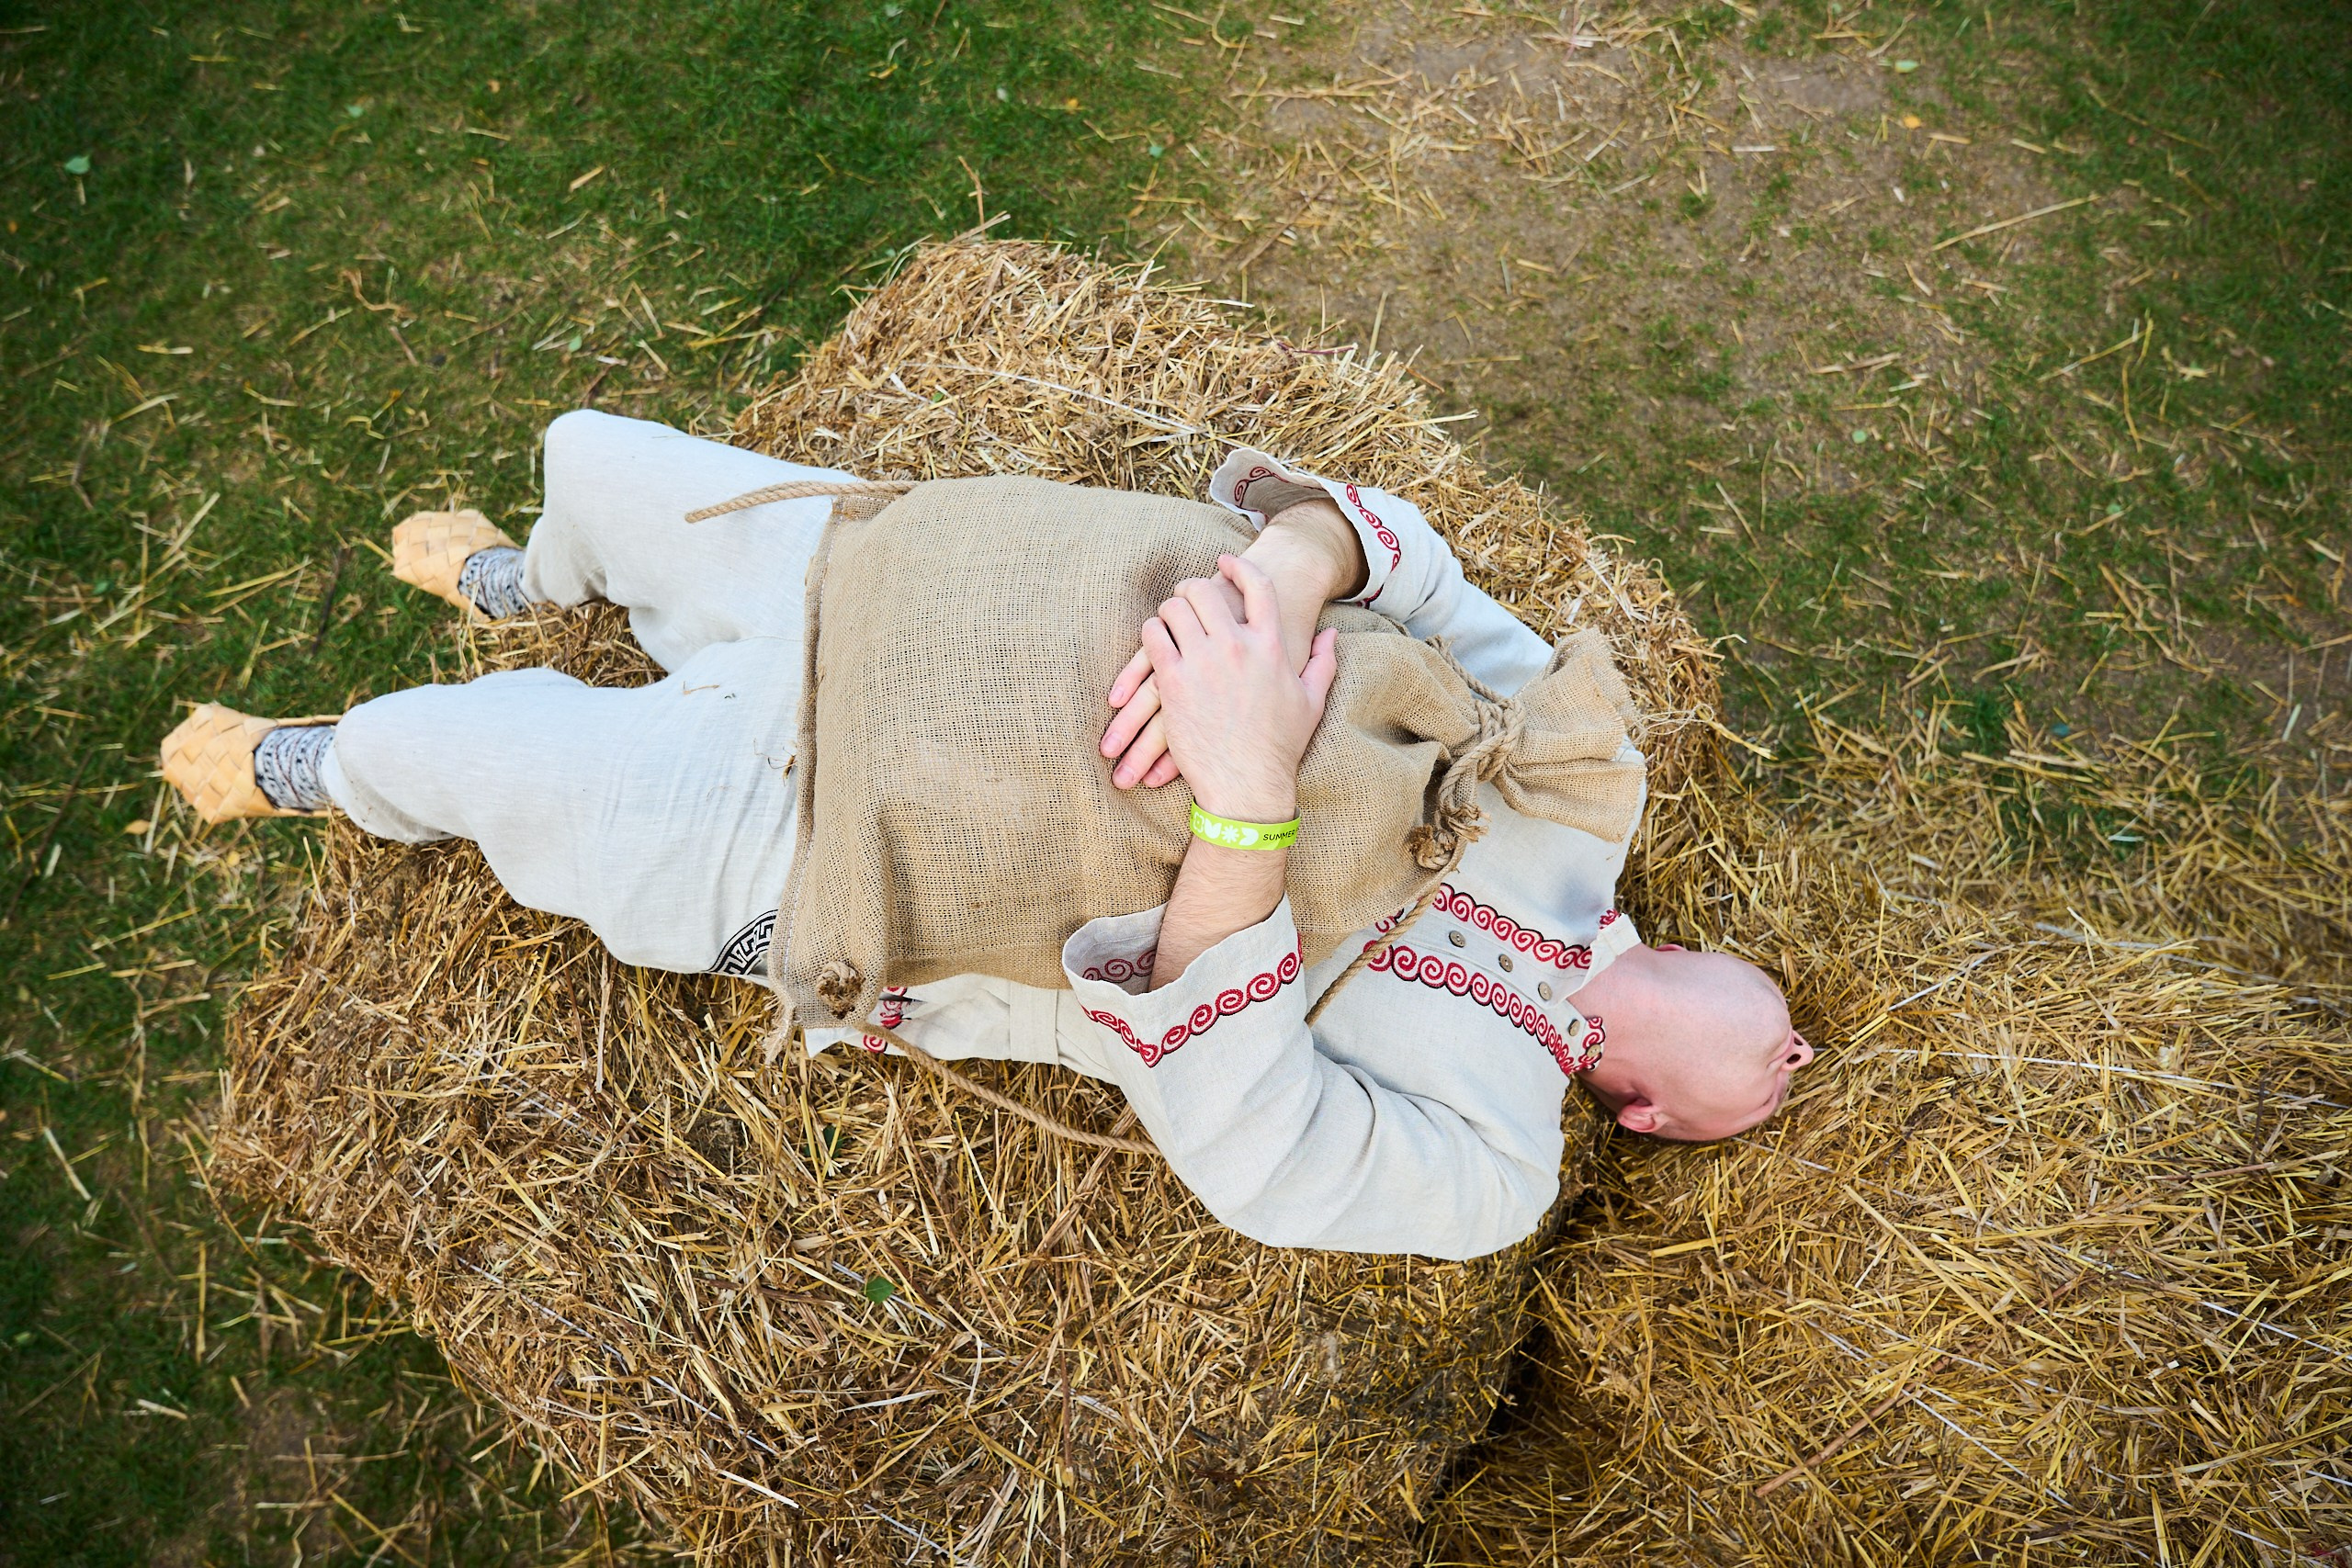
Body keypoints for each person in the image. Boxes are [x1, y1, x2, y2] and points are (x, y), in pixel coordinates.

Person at [160, 411, 1813, 1260]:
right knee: (595, 464)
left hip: (840, 842)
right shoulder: (1589, 788)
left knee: (462, 753)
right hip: (901, 586)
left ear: (1650, 1120)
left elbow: (1256, 1141)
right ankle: (532, 581)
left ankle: (303, 766)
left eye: (1782, 1078)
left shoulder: (1497, 1166)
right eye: (1797, 1035)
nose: (1803, 1054)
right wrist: (1290, 576)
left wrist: (1245, 785)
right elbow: (1420, 568)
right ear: (1685, 944)